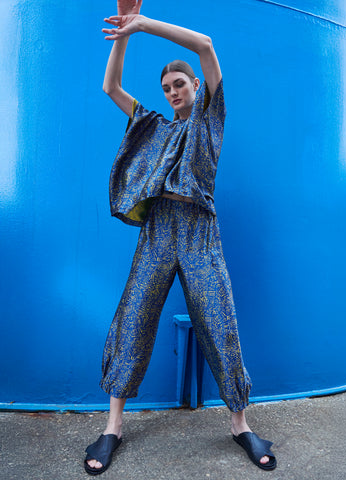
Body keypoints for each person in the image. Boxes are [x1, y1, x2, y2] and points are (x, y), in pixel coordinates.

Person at [84, 0, 276, 474]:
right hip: (157, 232)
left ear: (195, 87)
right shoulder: (151, 127)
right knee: (134, 318)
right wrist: (125, 34)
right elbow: (110, 87)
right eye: (166, 87)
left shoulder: (210, 119)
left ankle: (240, 425)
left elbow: (206, 46)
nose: (172, 92)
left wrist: (145, 23)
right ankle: (113, 428)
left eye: (180, 84)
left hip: (198, 233)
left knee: (219, 319)